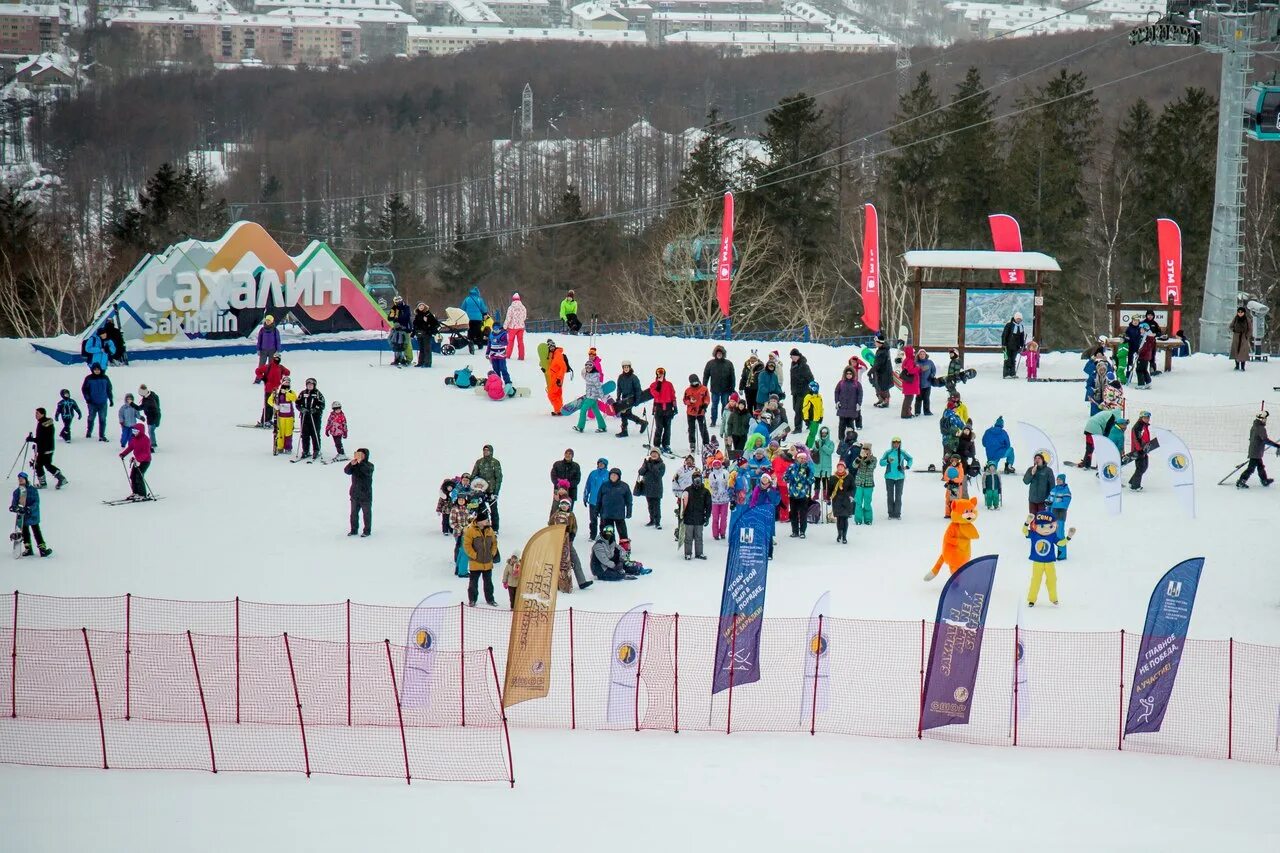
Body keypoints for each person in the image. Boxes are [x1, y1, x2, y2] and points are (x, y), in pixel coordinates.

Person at [1025, 512, 1075, 607]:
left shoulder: (1052, 536)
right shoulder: (1034, 534)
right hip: (1037, 562)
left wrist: (1069, 537)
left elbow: (1061, 544)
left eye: (1050, 526)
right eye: (1043, 526)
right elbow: (1025, 531)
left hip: (1049, 562)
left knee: (1052, 579)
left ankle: (1054, 598)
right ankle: (1031, 599)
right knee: (1036, 580)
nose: (1047, 529)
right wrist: (1027, 522)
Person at [9, 472, 49, 557]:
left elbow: (36, 502)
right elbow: (14, 503)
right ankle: (28, 548)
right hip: (23, 516)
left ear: (26, 480)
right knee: (25, 532)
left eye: (22, 479)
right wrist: (14, 507)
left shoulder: (32, 490)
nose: (20, 481)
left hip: (33, 514)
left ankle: (42, 549)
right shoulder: (17, 491)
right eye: (19, 479)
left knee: (36, 531)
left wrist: (29, 509)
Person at [26, 408, 67, 490]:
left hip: (45, 448)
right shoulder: (45, 423)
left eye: (37, 413)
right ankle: (59, 478)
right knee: (44, 464)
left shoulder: (42, 424)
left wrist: (32, 439)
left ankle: (46, 482)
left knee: (40, 465)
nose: (36, 415)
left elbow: (41, 438)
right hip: (48, 447)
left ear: (42, 414)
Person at [462, 516, 499, 606]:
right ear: (480, 521)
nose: (487, 521)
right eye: (486, 519)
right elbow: (467, 545)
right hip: (475, 563)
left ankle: (490, 599)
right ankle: (472, 600)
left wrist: (492, 554)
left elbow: (494, 543)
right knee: (473, 583)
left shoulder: (490, 530)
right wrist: (474, 555)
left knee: (488, 583)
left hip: (487, 562)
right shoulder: (470, 530)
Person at [1238, 410, 1280, 488]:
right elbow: (1265, 440)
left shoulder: (1254, 426)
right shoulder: (1260, 428)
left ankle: (1264, 480)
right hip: (1256, 451)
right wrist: (1277, 445)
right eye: (1265, 418)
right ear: (1261, 419)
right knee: (1251, 468)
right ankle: (1241, 481)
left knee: (1260, 466)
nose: (1265, 420)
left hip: (1255, 450)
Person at [470, 444, 503, 531]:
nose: (485, 452)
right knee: (482, 510)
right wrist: (473, 485)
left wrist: (496, 493)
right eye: (484, 450)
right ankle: (484, 527)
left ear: (491, 451)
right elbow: (473, 475)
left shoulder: (495, 462)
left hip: (491, 491)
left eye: (487, 450)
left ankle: (495, 529)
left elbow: (499, 478)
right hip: (481, 491)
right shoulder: (479, 462)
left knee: (493, 510)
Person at [783, 450, 815, 538]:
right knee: (793, 514)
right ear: (797, 458)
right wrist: (790, 478)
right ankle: (795, 531)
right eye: (801, 458)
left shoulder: (808, 468)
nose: (803, 460)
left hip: (803, 494)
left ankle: (802, 531)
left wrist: (807, 478)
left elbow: (812, 480)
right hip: (793, 494)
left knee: (803, 514)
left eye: (805, 458)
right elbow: (785, 477)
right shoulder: (792, 467)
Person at [748, 473, 781, 558]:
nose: (764, 484)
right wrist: (752, 511)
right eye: (763, 481)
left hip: (769, 515)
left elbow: (775, 501)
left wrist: (770, 491)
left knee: (768, 534)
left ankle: (769, 553)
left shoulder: (772, 489)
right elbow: (753, 500)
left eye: (766, 481)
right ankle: (758, 551)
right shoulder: (757, 489)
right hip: (758, 514)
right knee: (758, 532)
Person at [878, 437, 912, 520]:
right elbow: (881, 462)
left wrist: (907, 466)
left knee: (898, 496)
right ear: (892, 443)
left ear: (900, 444)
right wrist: (887, 461)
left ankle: (897, 513)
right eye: (894, 443)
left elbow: (910, 459)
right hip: (889, 477)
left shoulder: (902, 452)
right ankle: (890, 513)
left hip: (900, 477)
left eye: (898, 443)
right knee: (890, 495)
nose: (896, 444)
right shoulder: (888, 452)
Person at [702, 345, 735, 426]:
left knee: (725, 406)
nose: (719, 354)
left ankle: (724, 421)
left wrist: (732, 388)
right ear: (715, 354)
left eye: (721, 353)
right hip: (715, 389)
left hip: (726, 389)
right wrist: (704, 387)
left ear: (723, 354)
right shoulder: (710, 363)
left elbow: (732, 377)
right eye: (718, 353)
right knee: (714, 406)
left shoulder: (729, 363)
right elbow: (706, 376)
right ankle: (713, 421)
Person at [119, 420, 153, 500]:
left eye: (136, 431)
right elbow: (130, 447)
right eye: (133, 431)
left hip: (145, 461)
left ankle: (142, 494)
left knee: (139, 476)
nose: (134, 432)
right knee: (133, 476)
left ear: (140, 431)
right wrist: (123, 454)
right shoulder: (134, 438)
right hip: (137, 461)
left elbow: (146, 453)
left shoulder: (145, 440)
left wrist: (138, 460)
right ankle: (135, 492)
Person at [254, 354, 291, 427]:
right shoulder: (268, 366)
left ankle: (269, 419)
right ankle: (264, 420)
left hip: (276, 389)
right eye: (275, 358)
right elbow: (257, 371)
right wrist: (262, 377)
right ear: (273, 358)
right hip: (268, 389)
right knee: (268, 405)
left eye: (278, 358)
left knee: (273, 405)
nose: (277, 360)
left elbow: (288, 373)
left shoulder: (280, 367)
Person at [344, 448, 374, 537]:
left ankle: (367, 531)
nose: (359, 456)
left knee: (367, 514)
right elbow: (347, 471)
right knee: (353, 514)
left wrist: (360, 463)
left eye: (361, 454)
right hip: (355, 495)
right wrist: (351, 464)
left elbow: (367, 472)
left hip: (366, 495)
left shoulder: (369, 465)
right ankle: (353, 530)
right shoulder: (355, 465)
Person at [681, 470, 711, 560]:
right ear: (692, 480)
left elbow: (709, 506)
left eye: (699, 478)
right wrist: (681, 515)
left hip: (700, 518)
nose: (697, 481)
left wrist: (707, 517)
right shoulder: (687, 491)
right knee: (688, 537)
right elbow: (683, 504)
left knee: (699, 537)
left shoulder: (705, 491)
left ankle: (699, 553)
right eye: (695, 479)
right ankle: (688, 553)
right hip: (689, 518)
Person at [596, 466, 632, 538]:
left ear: (619, 476)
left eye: (615, 475)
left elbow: (629, 501)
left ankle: (624, 546)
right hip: (607, 514)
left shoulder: (624, 486)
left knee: (622, 532)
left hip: (619, 514)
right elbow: (599, 499)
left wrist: (629, 512)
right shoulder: (604, 485)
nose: (613, 476)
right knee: (608, 533)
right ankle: (610, 546)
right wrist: (597, 510)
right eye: (612, 475)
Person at [614, 361, 647, 438]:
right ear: (623, 368)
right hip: (624, 398)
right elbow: (619, 388)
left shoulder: (633, 377)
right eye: (624, 367)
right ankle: (642, 423)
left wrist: (637, 400)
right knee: (626, 414)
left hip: (631, 398)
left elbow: (638, 389)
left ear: (630, 367)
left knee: (625, 413)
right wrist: (618, 398)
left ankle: (624, 431)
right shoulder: (620, 377)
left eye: (627, 367)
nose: (626, 369)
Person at [296, 378, 326, 462]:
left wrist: (316, 409)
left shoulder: (317, 394)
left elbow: (322, 404)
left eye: (311, 385)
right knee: (305, 434)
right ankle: (305, 451)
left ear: (314, 385)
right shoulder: (303, 393)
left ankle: (316, 450)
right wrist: (301, 409)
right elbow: (297, 403)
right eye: (308, 384)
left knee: (315, 434)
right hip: (305, 416)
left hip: (315, 417)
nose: (309, 386)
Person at [81, 364, 113, 442]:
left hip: (103, 403)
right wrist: (88, 399)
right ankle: (89, 431)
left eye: (98, 369)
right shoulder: (89, 378)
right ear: (92, 370)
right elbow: (84, 389)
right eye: (95, 369)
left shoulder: (105, 378)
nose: (97, 371)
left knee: (102, 419)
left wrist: (111, 399)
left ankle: (102, 435)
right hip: (92, 403)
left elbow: (109, 389)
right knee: (91, 418)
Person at [649, 368, 677, 455]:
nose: (660, 375)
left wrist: (675, 406)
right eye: (659, 373)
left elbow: (673, 395)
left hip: (668, 407)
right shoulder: (653, 385)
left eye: (662, 373)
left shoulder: (669, 384)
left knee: (667, 428)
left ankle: (666, 444)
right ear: (656, 374)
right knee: (659, 427)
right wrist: (659, 384)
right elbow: (656, 394)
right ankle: (657, 445)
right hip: (659, 407)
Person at [574, 361, 608, 434]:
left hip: (592, 397)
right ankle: (602, 427)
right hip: (589, 396)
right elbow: (584, 375)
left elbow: (599, 387)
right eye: (587, 367)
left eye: (590, 367)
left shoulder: (594, 376)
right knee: (596, 412)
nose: (588, 368)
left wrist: (602, 397)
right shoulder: (588, 374)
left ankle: (580, 427)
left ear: (593, 367)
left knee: (583, 410)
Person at [269, 377, 298, 456]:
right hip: (280, 416)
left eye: (288, 383)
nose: (287, 384)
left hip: (289, 416)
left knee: (288, 433)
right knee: (280, 432)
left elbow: (295, 398)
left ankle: (288, 447)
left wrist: (286, 392)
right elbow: (270, 400)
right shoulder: (277, 392)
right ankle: (280, 447)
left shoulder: (291, 392)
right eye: (285, 382)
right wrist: (274, 405)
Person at [638, 449, 666, 528]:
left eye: (655, 453)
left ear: (659, 455)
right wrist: (645, 466)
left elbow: (659, 475)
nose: (653, 455)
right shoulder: (647, 462)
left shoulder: (661, 464)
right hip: (647, 487)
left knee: (657, 505)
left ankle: (657, 522)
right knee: (650, 505)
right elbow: (640, 472)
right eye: (652, 453)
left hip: (657, 488)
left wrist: (652, 466)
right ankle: (652, 520)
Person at [788, 349, 815, 432]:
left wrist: (810, 389)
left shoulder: (804, 366)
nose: (791, 358)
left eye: (792, 356)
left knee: (798, 409)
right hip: (795, 391)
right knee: (796, 408)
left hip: (803, 391)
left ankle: (798, 428)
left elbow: (811, 378)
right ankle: (809, 422)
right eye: (791, 357)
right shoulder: (793, 364)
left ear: (797, 356)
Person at [683, 374, 711, 452]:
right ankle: (692, 443)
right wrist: (690, 402)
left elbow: (707, 398)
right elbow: (685, 400)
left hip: (700, 412)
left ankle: (706, 443)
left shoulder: (704, 389)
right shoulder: (687, 390)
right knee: (691, 428)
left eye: (696, 382)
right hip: (691, 412)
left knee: (703, 428)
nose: (694, 383)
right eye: (693, 382)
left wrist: (705, 405)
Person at [542, 340, 571, 416]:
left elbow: (563, 367)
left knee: (551, 394)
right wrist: (545, 370)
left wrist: (559, 378)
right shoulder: (553, 355)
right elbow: (553, 368)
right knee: (557, 394)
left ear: (555, 346)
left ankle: (558, 410)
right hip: (556, 378)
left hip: (557, 378)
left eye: (552, 346)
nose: (551, 348)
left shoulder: (557, 354)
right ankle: (560, 409)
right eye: (550, 347)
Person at [834, 365, 863, 437]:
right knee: (841, 425)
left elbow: (860, 394)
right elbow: (836, 392)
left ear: (853, 374)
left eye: (850, 373)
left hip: (852, 408)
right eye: (847, 373)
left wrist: (859, 404)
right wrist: (837, 401)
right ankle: (841, 438)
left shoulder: (857, 384)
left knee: (850, 425)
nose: (849, 375)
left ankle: (851, 439)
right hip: (842, 408)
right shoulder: (841, 383)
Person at [583, 457, 609, 539]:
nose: (601, 464)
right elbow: (588, 486)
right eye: (599, 463)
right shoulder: (593, 473)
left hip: (604, 501)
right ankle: (592, 535)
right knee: (593, 520)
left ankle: (602, 535)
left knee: (603, 520)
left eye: (602, 463)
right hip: (593, 501)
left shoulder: (608, 474)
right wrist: (585, 496)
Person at [851, 442, 877, 526]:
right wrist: (860, 457)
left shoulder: (874, 459)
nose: (865, 450)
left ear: (870, 450)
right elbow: (854, 465)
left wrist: (867, 458)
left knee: (867, 503)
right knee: (858, 502)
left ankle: (868, 519)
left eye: (867, 449)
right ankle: (858, 519)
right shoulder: (859, 458)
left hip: (869, 485)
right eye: (864, 449)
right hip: (859, 484)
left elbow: (871, 467)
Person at [706, 458, 731, 541]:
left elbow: (729, 483)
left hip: (724, 499)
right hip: (715, 500)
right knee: (715, 518)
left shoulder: (726, 473)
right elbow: (709, 485)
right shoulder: (711, 474)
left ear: (721, 465)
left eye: (718, 464)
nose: (717, 466)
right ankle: (715, 534)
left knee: (724, 517)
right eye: (715, 465)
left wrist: (726, 484)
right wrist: (713, 484)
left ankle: (723, 533)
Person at [829, 461, 853, 544]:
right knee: (839, 518)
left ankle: (844, 536)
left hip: (846, 500)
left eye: (841, 466)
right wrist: (828, 497)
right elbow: (830, 489)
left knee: (845, 518)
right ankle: (839, 534)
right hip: (836, 500)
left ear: (844, 468)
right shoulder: (833, 477)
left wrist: (850, 495)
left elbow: (853, 488)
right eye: (838, 466)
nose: (840, 468)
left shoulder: (849, 477)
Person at [1048, 473, 1071, 559]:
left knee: (1060, 534)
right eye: (1057, 479)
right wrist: (1047, 501)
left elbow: (1065, 504)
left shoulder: (1066, 491)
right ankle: (1050, 553)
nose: (1058, 481)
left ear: (1064, 481)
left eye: (1060, 480)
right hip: (1051, 515)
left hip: (1060, 516)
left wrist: (1052, 504)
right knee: (1050, 534)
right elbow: (1049, 498)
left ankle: (1062, 554)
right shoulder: (1054, 489)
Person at [1129, 411, 1153, 491]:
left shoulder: (1144, 425)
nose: (1147, 419)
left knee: (1144, 466)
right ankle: (1135, 486)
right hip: (1138, 450)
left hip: (1144, 449)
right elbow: (1136, 439)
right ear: (1141, 418)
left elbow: (1144, 438)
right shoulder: (1138, 426)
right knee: (1141, 467)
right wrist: (1139, 450)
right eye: (1145, 418)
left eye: (1148, 418)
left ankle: (1132, 482)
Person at [461, 286, 489, 353]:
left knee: (470, 331)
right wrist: (485, 314)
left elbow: (462, 308)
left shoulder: (467, 299)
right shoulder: (479, 299)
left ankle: (470, 343)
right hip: (478, 318)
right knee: (478, 331)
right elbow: (483, 308)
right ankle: (480, 344)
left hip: (469, 318)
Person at [412, 303, 440, 368]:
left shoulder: (428, 314)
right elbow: (415, 325)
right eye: (419, 306)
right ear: (418, 307)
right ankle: (420, 362)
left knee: (427, 349)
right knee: (421, 349)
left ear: (425, 307)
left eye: (422, 306)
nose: (421, 307)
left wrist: (427, 321)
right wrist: (413, 334)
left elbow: (435, 323)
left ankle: (427, 363)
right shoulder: (417, 315)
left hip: (427, 334)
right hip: (419, 334)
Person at [386, 296, 412, 365]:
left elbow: (406, 317)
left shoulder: (406, 307)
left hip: (405, 328)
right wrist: (393, 316)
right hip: (396, 329)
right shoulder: (394, 308)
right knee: (396, 343)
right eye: (396, 301)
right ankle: (398, 358)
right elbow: (389, 318)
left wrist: (397, 318)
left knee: (406, 344)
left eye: (399, 300)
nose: (398, 302)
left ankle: (408, 359)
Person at [1001, 312, 1026, 378]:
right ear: (1015, 318)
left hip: (1016, 346)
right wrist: (1003, 344)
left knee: (1013, 359)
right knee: (1007, 359)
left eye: (1020, 319)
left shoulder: (1021, 326)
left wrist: (1023, 344)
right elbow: (1004, 335)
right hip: (1007, 346)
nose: (1019, 320)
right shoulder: (1009, 325)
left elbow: (1021, 336)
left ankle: (1012, 373)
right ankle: (1006, 374)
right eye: (1018, 318)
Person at [870, 338, 893, 408]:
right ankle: (881, 399)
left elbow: (879, 363)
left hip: (884, 372)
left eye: (875, 342)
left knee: (884, 387)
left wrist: (872, 369)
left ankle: (886, 401)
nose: (875, 343)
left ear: (879, 343)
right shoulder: (881, 350)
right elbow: (878, 362)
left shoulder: (883, 351)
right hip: (881, 371)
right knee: (878, 386)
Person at [898, 345, 920, 418]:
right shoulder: (910, 360)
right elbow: (910, 371)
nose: (914, 353)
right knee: (908, 399)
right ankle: (905, 414)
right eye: (913, 352)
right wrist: (917, 368)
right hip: (910, 383)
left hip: (908, 382)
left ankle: (908, 412)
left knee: (908, 398)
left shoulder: (907, 359)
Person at [137, 385, 161, 449]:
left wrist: (131, 404)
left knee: (151, 431)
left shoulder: (149, 399)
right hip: (152, 417)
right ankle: (152, 444)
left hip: (153, 417)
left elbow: (140, 407)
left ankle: (153, 445)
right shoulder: (151, 396)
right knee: (150, 431)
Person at [800, 381, 824, 446]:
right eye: (813, 388)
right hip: (811, 418)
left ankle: (808, 445)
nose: (815, 390)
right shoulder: (808, 397)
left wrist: (821, 416)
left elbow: (821, 408)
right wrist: (806, 418)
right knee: (812, 433)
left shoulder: (819, 397)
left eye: (816, 388)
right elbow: (805, 409)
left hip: (817, 418)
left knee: (814, 433)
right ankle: (809, 446)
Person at [505, 293, 527, 361]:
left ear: (513, 299)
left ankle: (507, 355)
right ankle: (521, 356)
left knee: (510, 341)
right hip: (521, 327)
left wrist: (505, 326)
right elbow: (524, 317)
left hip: (512, 327)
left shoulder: (511, 307)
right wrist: (520, 322)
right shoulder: (523, 307)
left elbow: (508, 318)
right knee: (520, 342)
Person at [915, 348, 936, 416]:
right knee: (918, 399)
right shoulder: (916, 363)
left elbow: (934, 370)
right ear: (918, 355)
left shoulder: (930, 362)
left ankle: (927, 411)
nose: (922, 355)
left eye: (923, 354)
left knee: (926, 398)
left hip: (927, 384)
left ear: (925, 355)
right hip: (918, 384)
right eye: (920, 354)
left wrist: (932, 375)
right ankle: (917, 412)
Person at [1134, 323, 1156, 388]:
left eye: (1142, 329)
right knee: (1144, 369)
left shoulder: (1147, 337)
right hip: (1145, 356)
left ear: (1145, 329)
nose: (1140, 330)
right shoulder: (1146, 336)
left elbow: (1144, 348)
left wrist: (1139, 352)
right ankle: (1148, 382)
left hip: (1143, 356)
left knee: (1139, 370)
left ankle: (1141, 384)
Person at [1230, 306, 1251, 370]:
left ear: (1244, 312)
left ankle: (1242, 366)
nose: (1240, 313)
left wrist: (1247, 335)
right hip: (1236, 336)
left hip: (1244, 337)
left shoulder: (1247, 319)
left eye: (1241, 312)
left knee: (1243, 352)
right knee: (1236, 351)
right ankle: (1237, 365)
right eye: (1239, 312)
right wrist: (1234, 330)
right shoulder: (1235, 318)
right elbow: (1231, 326)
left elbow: (1250, 329)